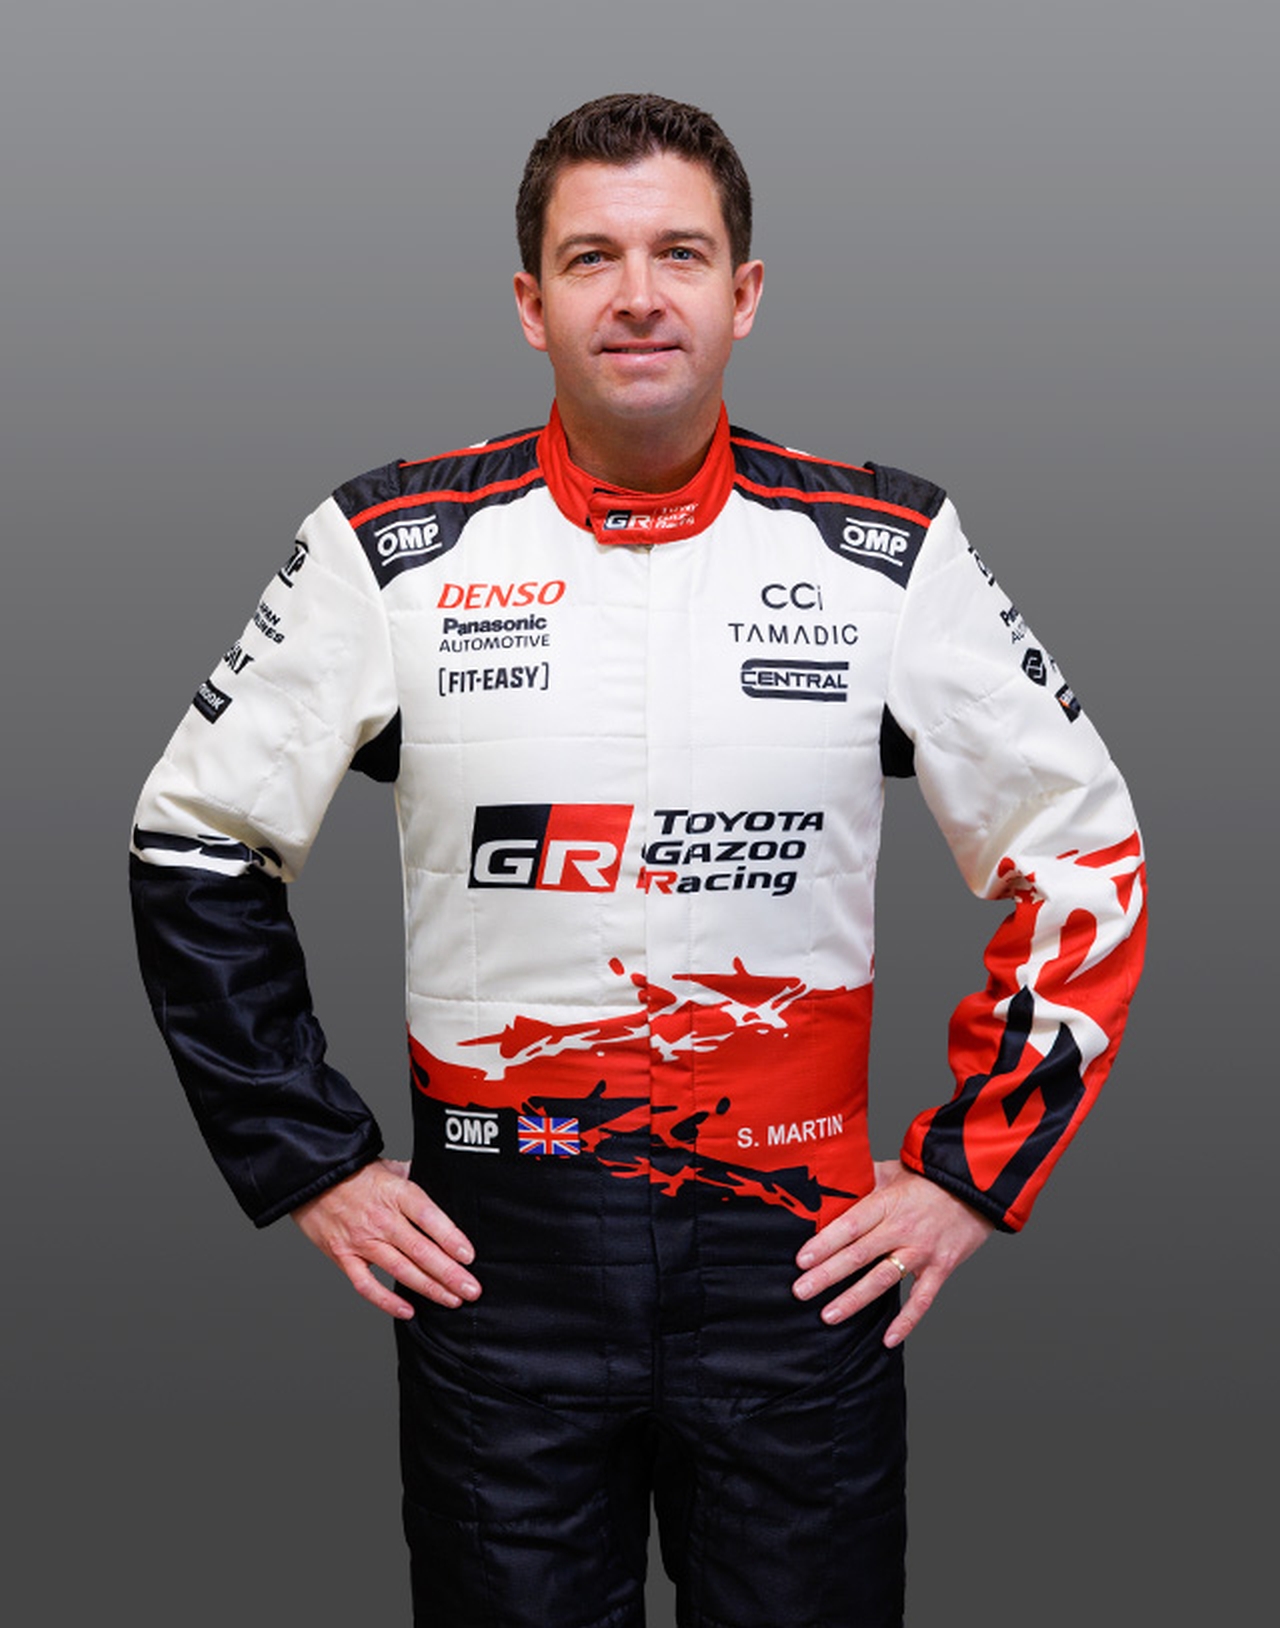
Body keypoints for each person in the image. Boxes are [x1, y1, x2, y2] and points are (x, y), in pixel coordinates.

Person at [131, 93, 1146, 1628]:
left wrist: (970, 1176)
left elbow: (1082, 848)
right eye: (590, 257)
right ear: (529, 301)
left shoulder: (885, 550)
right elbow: (193, 838)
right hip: (498, 1269)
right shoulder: (391, 546)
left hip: (801, 1268)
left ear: (746, 291)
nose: (639, 295)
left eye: (681, 252)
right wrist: (310, 1161)